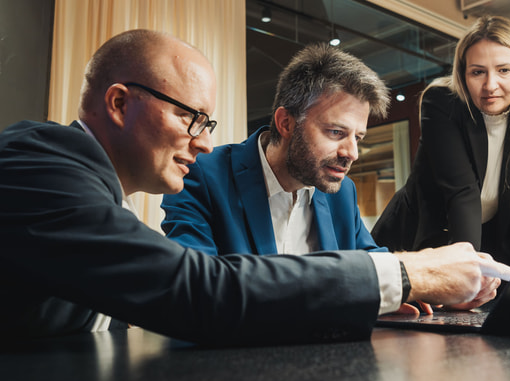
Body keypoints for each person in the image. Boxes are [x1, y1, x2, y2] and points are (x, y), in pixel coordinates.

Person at [0, 29, 510, 355]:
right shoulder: (42, 163)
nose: (201, 137)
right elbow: (191, 290)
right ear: (120, 104)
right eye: (188, 116)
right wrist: (407, 271)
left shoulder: (90, 190)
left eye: (208, 120)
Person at [161, 44, 387, 256]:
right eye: (336, 132)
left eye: (357, 138)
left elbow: (373, 264)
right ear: (286, 123)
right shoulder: (201, 175)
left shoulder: (342, 192)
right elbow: (198, 282)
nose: (352, 153)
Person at [372, 16, 510, 266]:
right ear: (463, 74)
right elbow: (462, 192)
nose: (490, 85)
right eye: (477, 72)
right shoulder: (442, 102)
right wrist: (466, 271)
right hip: (418, 239)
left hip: (486, 242)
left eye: (504, 70)